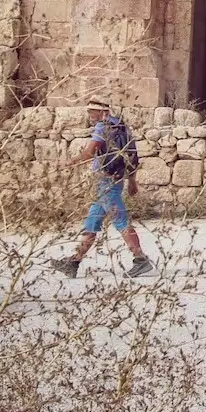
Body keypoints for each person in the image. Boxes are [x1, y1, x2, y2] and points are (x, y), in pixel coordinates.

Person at [51, 97, 154, 278]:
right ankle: (74, 262)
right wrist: (132, 181)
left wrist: (68, 163)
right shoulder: (122, 127)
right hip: (112, 181)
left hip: (106, 183)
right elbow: (132, 156)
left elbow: (89, 152)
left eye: (93, 111)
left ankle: (141, 259)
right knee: (92, 223)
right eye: (89, 111)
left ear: (103, 112)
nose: (90, 115)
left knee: (120, 221)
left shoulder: (102, 127)